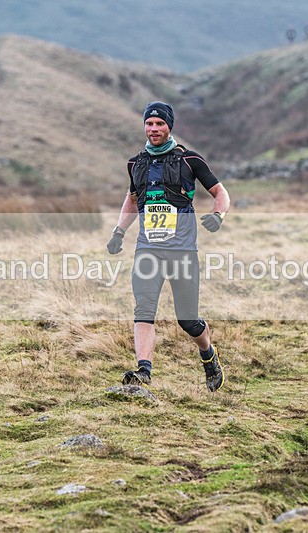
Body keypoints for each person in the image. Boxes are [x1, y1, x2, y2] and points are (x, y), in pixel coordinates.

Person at [107, 101, 231, 392]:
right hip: (147, 249)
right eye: (149, 124)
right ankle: (144, 371)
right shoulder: (135, 164)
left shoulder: (190, 160)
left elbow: (220, 192)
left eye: (159, 124)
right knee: (144, 309)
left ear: (169, 126)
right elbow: (133, 200)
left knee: (187, 320)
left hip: (182, 251)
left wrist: (218, 216)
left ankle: (208, 355)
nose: (153, 129)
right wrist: (118, 232)